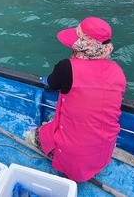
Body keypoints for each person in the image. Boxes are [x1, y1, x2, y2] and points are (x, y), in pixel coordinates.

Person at [31, 17, 127, 182]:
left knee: (39, 132)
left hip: (72, 157)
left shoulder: (66, 67)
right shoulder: (118, 71)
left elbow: (52, 83)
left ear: (83, 44)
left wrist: (46, 80)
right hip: (104, 153)